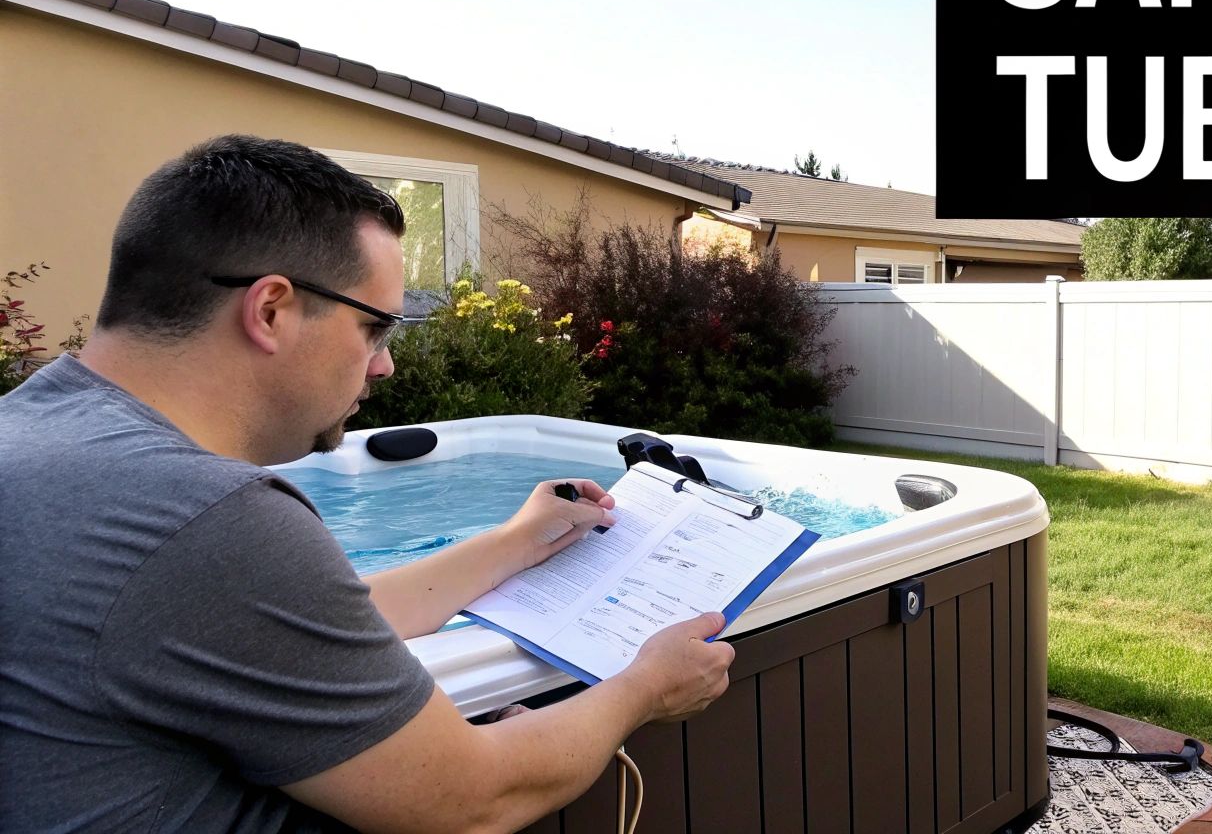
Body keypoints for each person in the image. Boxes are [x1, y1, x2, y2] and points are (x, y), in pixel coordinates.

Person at [0, 134, 734, 833]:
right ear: (271, 310)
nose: (383, 366)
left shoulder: (36, 438)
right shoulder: (203, 515)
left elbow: (297, 624)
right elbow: (473, 800)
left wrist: (512, 545)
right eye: (374, 330)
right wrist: (644, 687)